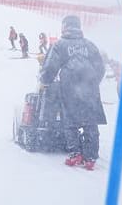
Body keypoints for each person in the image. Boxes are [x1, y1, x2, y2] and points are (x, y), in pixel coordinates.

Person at [39, 15, 106, 171]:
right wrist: (93, 83)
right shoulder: (90, 45)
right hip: (90, 90)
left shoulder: (60, 45)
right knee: (90, 122)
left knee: (70, 122)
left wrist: (45, 81)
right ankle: (90, 158)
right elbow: (100, 68)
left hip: (69, 89)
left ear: (65, 27)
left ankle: (75, 154)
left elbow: (49, 69)